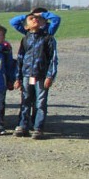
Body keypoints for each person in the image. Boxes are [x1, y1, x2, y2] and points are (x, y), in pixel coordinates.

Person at [14, 10, 59, 140]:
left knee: (40, 103)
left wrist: (50, 76)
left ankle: (38, 127)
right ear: (26, 25)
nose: (35, 20)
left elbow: (53, 59)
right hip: (27, 75)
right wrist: (17, 77)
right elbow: (20, 58)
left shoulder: (48, 38)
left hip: (41, 75)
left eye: (38, 19)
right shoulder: (25, 38)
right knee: (25, 101)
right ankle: (23, 125)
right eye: (32, 19)